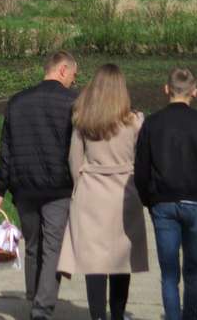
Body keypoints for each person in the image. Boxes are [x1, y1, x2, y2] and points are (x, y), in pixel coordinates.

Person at [0, 50, 79, 320]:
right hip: (58, 187)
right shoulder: (74, 102)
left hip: (24, 187)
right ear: (62, 70)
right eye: (74, 75)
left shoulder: (17, 102)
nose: (74, 81)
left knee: (33, 245)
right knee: (53, 248)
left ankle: (35, 295)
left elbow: (6, 149)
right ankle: (42, 307)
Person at [135, 67, 197, 320]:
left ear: (166, 89)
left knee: (169, 273)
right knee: (192, 269)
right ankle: (190, 316)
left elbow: (141, 168)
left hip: (162, 204)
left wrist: (149, 200)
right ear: (194, 92)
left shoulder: (152, 123)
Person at [58, 63, 148, 320]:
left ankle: (97, 315)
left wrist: (82, 186)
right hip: (125, 193)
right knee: (121, 261)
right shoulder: (136, 122)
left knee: (94, 262)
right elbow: (141, 160)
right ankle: (117, 315)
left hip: (91, 194)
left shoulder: (83, 121)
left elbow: (74, 161)